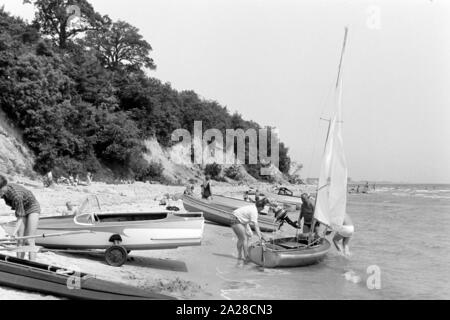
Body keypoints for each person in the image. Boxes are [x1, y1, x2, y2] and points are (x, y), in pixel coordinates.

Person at [0, 175, 41, 261]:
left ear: (3, 187)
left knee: (29, 240)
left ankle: (32, 263)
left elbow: (20, 218)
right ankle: (20, 262)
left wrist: (12, 233)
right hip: (21, 209)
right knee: (20, 240)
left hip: (32, 208)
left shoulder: (16, 195)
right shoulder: (4, 191)